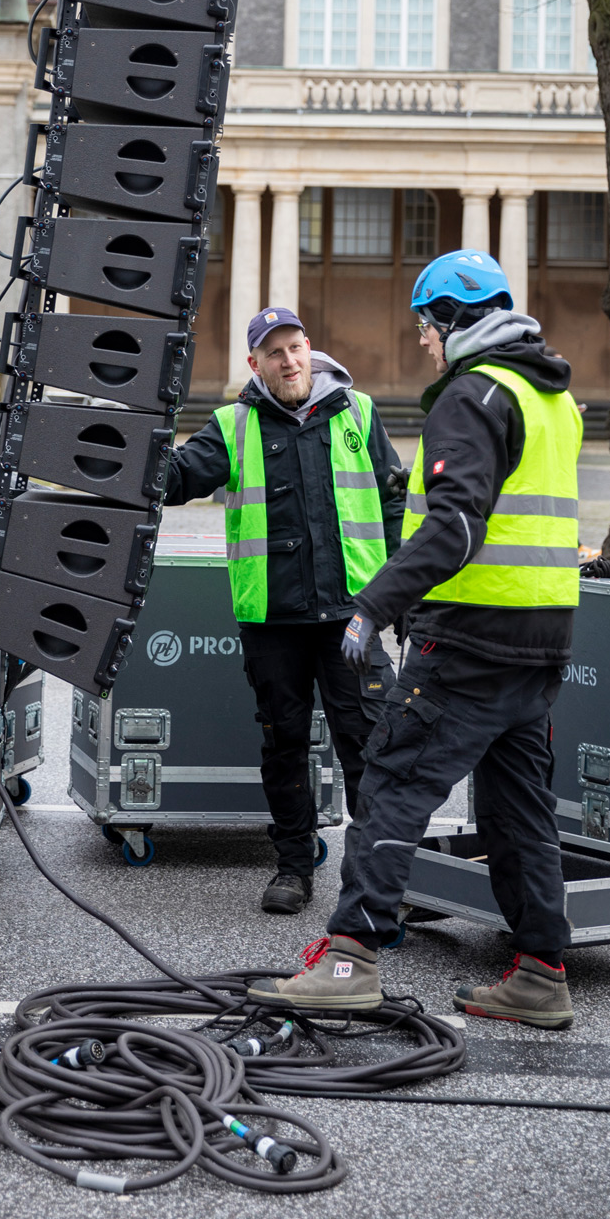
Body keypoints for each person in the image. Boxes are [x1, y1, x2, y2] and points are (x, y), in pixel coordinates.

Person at [250, 250, 582, 1029]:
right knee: (520, 809)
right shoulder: (550, 397)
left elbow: (458, 521)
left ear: (449, 321)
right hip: (541, 639)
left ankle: (349, 959)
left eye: (426, 328)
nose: (424, 343)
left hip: (468, 640)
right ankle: (541, 972)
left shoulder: (471, 395)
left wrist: (374, 602)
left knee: (393, 784)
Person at [164, 307, 406, 914]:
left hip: (353, 614)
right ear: (255, 365)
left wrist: (404, 597)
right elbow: (174, 480)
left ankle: (377, 878)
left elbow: (394, 504)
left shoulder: (359, 413)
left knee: (368, 743)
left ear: (310, 349)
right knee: (285, 743)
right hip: (273, 619)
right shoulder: (233, 424)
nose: (289, 360)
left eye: (296, 347)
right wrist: (130, 437)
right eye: (274, 353)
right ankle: (294, 868)